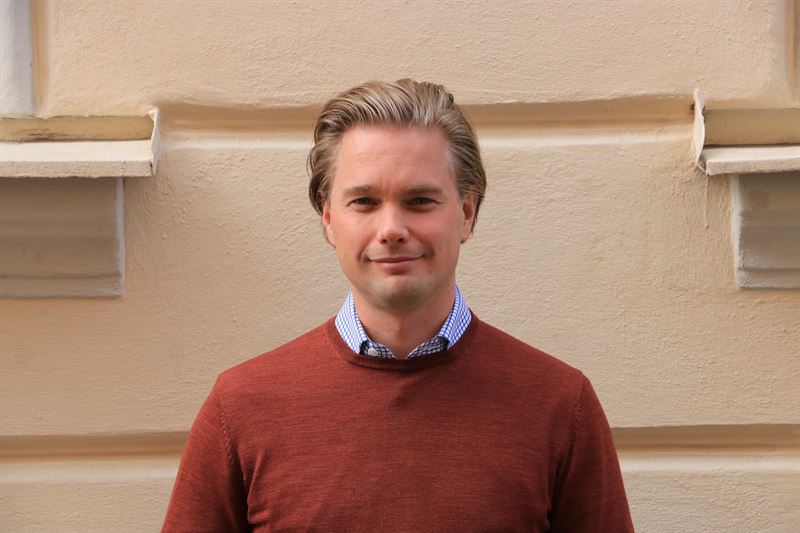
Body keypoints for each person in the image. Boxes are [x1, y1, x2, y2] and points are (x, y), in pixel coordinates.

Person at [162, 79, 634, 532]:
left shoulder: (559, 405)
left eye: (420, 200)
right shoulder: (242, 407)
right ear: (329, 218)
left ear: (467, 213)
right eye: (365, 201)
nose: (391, 229)